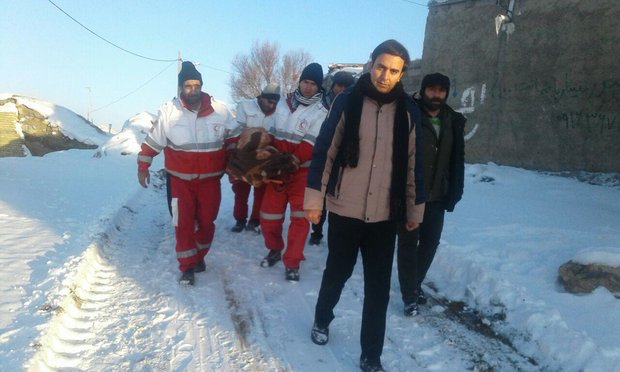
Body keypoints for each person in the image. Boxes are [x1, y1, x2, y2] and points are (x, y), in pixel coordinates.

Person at [304, 40, 425, 372]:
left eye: (394, 70)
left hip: (385, 215)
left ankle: (371, 354)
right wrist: (315, 201)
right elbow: (325, 151)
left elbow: (415, 164)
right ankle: (322, 318)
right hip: (345, 209)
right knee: (337, 273)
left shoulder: (408, 111)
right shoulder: (347, 101)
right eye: (381, 66)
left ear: (402, 74)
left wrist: (415, 210)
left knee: (378, 289)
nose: (386, 75)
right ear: (371, 64)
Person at [137, 61, 238, 286]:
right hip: (179, 182)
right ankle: (187, 267)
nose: (193, 89)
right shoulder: (169, 112)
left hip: (210, 181)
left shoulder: (219, 110)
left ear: (202, 85)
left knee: (206, 222)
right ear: (180, 87)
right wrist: (143, 166)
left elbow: (234, 138)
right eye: (188, 85)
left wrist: (235, 161)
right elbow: (152, 143)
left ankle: (199, 256)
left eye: (196, 85)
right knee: (182, 223)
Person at [397, 72, 466, 316]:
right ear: (424, 90)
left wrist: (455, 189)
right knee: (408, 244)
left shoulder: (453, 120)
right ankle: (409, 295)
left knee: (429, 244)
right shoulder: (410, 115)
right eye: (431, 90)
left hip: (438, 194)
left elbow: (457, 158)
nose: (436, 95)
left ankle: (414, 284)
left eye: (440, 91)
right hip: (411, 194)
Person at [259, 62, 328, 281]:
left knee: (300, 219)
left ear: (319, 87)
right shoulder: (283, 104)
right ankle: (275, 249)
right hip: (276, 169)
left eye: (313, 84)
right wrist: (263, 148)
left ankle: (293, 261)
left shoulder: (321, 111)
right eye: (305, 82)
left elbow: (311, 142)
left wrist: (295, 159)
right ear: (300, 82)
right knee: (269, 216)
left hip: (301, 172)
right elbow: (271, 131)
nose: (308, 87)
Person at [308, 71, 356, 246]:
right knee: (320, 196)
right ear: (333, 86)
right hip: (322, 156)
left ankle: (340, 237)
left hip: (343, 159)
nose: (342, 89)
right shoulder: (321, 105)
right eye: (339, 86)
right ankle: (316, 231)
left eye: (346, 86)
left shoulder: (354, 106)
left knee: (338, 199)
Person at [230, 83, 281, 233]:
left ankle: (255, 220)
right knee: (240, 190)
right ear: (261, 98)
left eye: (275, 103)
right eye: (269, 102)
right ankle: (240, 219)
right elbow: (238, 131)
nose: (272, 105)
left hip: (263, 157)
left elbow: (276, 134)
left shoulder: (279, 112)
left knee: (261, 190)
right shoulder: (245, 106)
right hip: (243, 155)